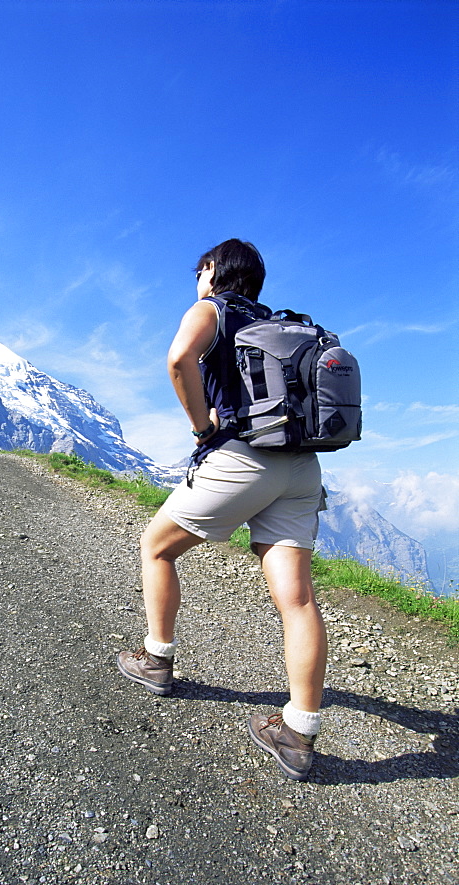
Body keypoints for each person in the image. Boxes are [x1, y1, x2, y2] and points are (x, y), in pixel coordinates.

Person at [117, 238, 328, 781]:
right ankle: (299, 732)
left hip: (243, 459)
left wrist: (202, 427)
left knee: (157, 548)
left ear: (212, 271)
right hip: (301, 466)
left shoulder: (211, 309)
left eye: (199, 270)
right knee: (298, 598)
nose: (196, 279)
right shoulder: (283, 325)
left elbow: (177, 359)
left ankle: (157, 659)